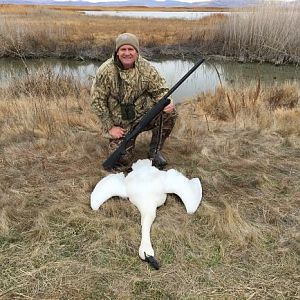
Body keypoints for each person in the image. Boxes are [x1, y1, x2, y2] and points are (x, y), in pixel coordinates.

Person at [91, 32, 177, 170]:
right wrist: (110, 127)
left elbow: (160, 90)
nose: (127, 53)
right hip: (119, 124)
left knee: (169, 112)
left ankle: (154, 152)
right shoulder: (105, 71)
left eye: (131, 49)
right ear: (117, 52)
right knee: (122, 161)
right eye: (123, 49)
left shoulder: (146, 68)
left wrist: (169, 100)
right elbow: (97, 101)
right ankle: (124, 148)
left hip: (142, 115)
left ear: (136, 52)